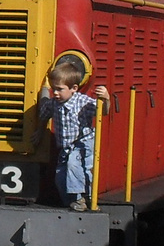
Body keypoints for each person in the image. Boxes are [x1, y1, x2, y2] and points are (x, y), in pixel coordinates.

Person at [36, 60, 110, 211]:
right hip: (65, 146)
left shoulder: (82, 102)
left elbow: (103, 111)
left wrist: (106, 99)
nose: (55, 93)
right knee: (60, 175)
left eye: (59, 89)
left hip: (83, 144)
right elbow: (44, 115)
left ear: (74, 88)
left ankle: (80, 199)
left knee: (73, 165)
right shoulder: (53, 103)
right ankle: (71, 200)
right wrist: (39, 132)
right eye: (53, 89)